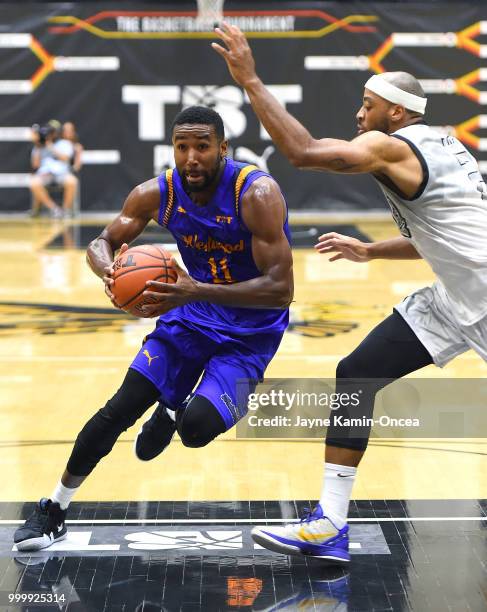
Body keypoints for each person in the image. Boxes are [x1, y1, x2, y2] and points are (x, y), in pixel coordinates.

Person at [213, 23, 487, 563]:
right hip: (454, 297)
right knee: (357, 372)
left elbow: (305, 152)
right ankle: (328, 525)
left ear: (398, 113)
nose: (359, 116)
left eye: (368, 106)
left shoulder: (391, 147)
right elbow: (452, 240)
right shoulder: (439, 144)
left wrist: (250, 81)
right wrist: (371, 251)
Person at [14, 105, 293, 551]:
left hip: (253, 330)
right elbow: (100, 242)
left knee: (197, 430)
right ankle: (54, 508)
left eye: (202, 146)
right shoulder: (158, 192)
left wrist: (195, 290)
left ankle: (172, 409)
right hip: (189, 315)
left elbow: (281, 289)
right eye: (181, 146)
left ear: (223, 148)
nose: (191, 157)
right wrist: (110, 273)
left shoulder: (255, 194)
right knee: (120, 408)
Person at [30, 119, 79, 218]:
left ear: (57, 132)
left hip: (61, 174)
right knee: (34, 182)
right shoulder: (39, 146)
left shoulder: (65, 143)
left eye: (53, 132)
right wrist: (37, 146)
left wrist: (51, 147)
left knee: (72, 181)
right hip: (45, 174)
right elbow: (35, 165)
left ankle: (65, 211)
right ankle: (54, 209)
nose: (51, 134)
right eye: (49, 131)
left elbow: (65, 158)